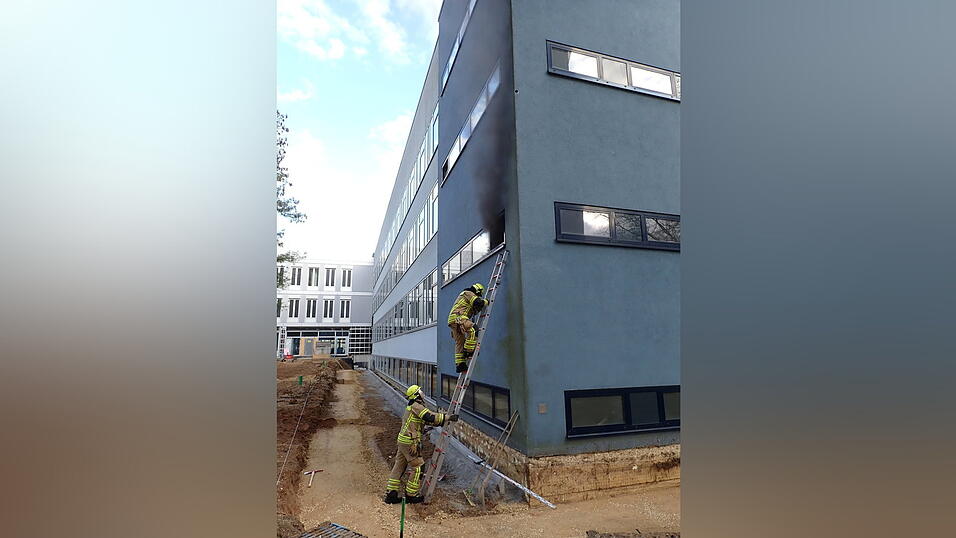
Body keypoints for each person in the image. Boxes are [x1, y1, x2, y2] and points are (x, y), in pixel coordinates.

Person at [384, 384, 458, 504]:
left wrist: (442, 421)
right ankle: (411, 495)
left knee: (399, 466)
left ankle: (391, 494)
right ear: (417, 395)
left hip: (403, 440)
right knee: (418, 467)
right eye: (420, 391)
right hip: (410, 442)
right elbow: (429, 416)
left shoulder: (414, 406)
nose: (423, 393)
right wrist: (448, 417)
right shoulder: (416, 406)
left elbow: (426, 420)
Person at [447, 283, 487, 373]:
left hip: (453, 320)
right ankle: (469, 351)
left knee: (459, 342)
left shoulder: (465, 296)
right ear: (477, 290)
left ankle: (460, 365)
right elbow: (478, 302)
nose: (478, 296)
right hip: (459, 317)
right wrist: (486, 302)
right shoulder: (468, 293)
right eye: (479, 294)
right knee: (473, 329)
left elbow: (474, 307)